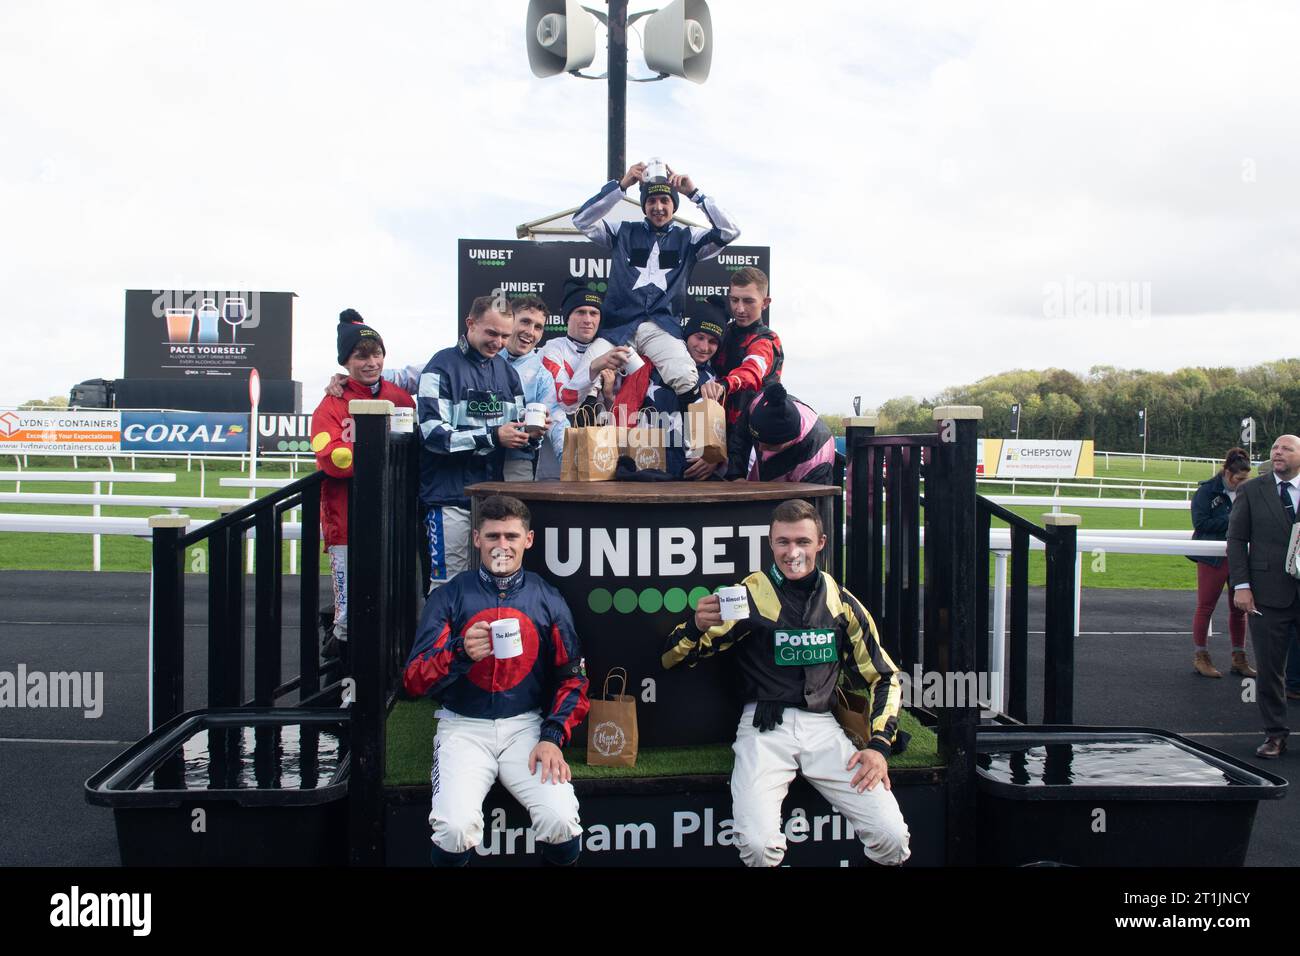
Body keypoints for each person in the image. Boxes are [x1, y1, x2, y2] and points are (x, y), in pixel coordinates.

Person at [661, 498, 911, 867]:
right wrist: (695, 626)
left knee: (891, 835)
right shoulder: (745, 595)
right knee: (759, 847)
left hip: (825, 730)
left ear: (821, 543)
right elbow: (672, 659)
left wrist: (877, 746)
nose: (792, 552)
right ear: (770, 543)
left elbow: (885, 676)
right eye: (783, 542)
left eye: (803, 542)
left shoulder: (842, 603)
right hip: (764, 729)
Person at [403, 495, 590, 865]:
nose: (501, 546)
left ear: (528, 540)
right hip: (462, 727)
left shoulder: (548, 598)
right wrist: (458, 653)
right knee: (455, 830)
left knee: (560, 821)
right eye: (492, 537)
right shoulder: (449, 596)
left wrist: (552, 736)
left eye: (511, 536)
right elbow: (412, 682)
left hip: (526, 727)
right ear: (476, 539)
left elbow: (574, 677)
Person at [572, 162, 740, 397]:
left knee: (686, 377)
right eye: (651, 201)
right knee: (580, 382)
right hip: (618, 329)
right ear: (644, 205)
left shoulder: (688, 238)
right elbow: (581, 221)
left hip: (660, 328)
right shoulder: (623, 231)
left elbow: (729, 231)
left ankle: (692, 433)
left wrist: (694, 193)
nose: (658, 207)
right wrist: (621, 187)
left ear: (674, 204)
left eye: (665, 200)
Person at [309, 309, 416, 658]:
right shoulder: (331, 402)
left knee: (392, 596)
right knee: (348, 613)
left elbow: (413, 451)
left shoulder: (400, 397)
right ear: (346, 361)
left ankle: (386, 669)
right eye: (361, 356)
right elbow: (331, 459)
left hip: (394, 517)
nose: (371, 362)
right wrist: (375, 458)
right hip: (346, 520)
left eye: (376, 354)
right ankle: (340, 676)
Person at [418, 296, 539, 590]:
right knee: (448, 585)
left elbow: (516, 431)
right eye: (492, 333)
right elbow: (434, 435)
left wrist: (531, 437)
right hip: (449, 497)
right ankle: (443, 639)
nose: (498, 342)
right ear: (470, 324)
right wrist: (494, 436)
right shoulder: (440, 366)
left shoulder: (507, 372)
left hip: (492, 500)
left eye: (504, 336)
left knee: (494, 584)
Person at [1228, 434, 1300, 758]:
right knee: (1270, 670)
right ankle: (1275, 735)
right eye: (1275, 448)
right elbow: (1236, 540)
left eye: (1286, 448)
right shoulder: (1251, 490)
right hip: (1267, 595)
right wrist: (1241, 586)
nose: (1278, 453)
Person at [609, 301, 727, 479]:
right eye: (699, 337)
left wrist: (714, 458)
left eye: (713, 341)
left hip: (688, 473)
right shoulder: (649, 363)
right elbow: (621, 406)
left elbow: (716, 433)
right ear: (687, 335)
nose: (704, 347)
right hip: (645, 468)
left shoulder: (714, 380)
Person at [1188, 448, 1255, 678]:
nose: (1243, 484)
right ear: (1227, 473)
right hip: (1213, 557)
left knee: (1240, 609)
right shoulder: (1206, 491)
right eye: (1239, 479)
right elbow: (1201, 523)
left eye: (1247, 479)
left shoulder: (1249, 491)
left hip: (1240, 557)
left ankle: (1239, 658)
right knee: (1206, 606)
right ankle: (1201, 657)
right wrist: (1233, 521)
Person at [499, 295, 568, 482]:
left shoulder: (542, 375)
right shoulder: (485, 354)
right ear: (510, 320)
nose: (531, 332)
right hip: (475, 460)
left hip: (516, 462)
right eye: (525, 322)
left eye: (538, 327)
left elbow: (557, 420)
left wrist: (572, 464)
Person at [540, 280, 624, 416]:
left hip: (600, 432)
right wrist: (593, 368)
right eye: (580, 312)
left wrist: (608, 396)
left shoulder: (611, 350)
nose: (588, 320)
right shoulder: (552, 350)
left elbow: (623, 415)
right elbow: (566, 402)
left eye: (594, 313)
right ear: (567, 317)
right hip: (563, 429)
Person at [711, 267, 784, 423]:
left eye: (748, 301)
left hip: (753, 433)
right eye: (734, 300)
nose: (740, 309)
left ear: (765, 303)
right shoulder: (723, 332)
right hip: (713, 428)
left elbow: (752, 370)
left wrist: (725, 384)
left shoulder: (767, 340)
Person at [728, 382, 836, 484]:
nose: (760, 448)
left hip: (796, 493)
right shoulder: (761, 404)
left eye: (770, 446)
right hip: (760, 480)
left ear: (789, 440)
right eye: (758, 440)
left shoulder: (818, 456)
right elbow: (740, 437)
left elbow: (813, 501)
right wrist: (736, 475)